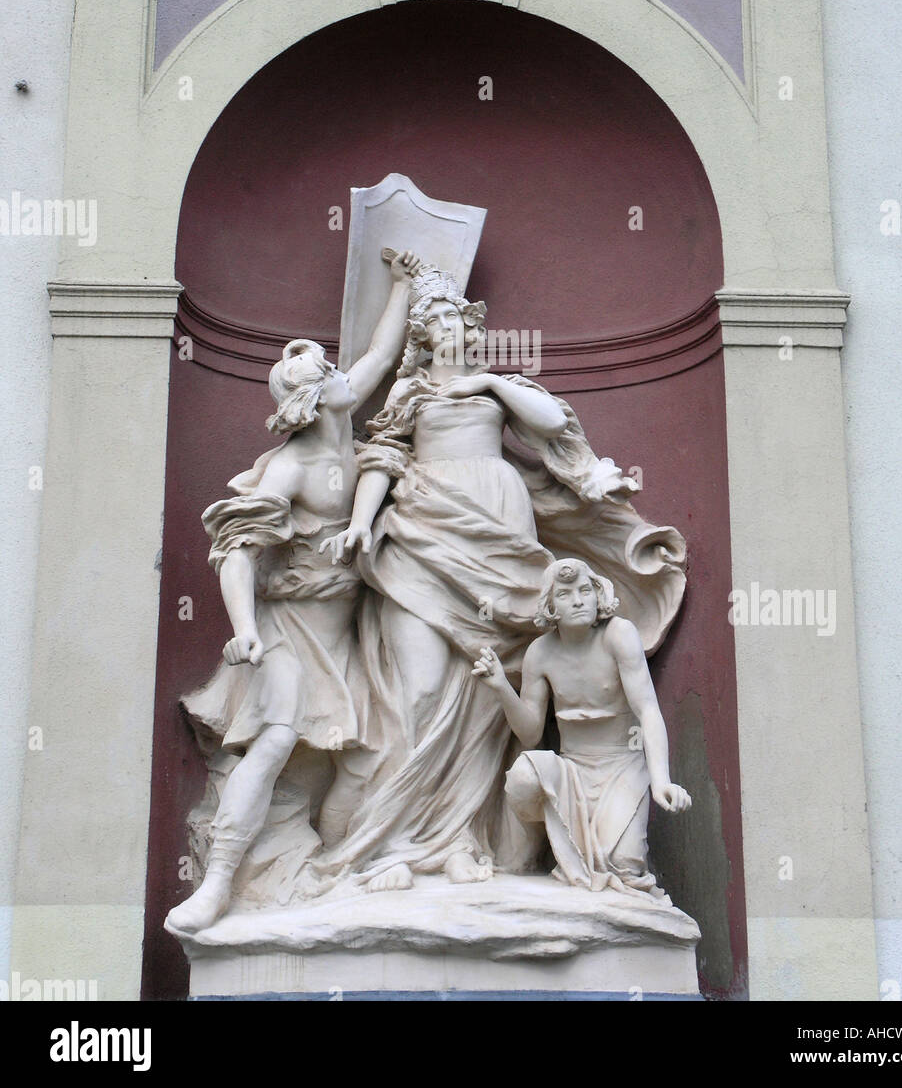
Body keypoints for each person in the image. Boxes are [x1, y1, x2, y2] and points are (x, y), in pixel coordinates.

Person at [319, 260, 686, 893]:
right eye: (436, 320)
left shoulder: (496, 388)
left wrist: (486, 381)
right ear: (423, 337)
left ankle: (460, 837)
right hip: (421, 534)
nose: (450, 327)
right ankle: (394, 842)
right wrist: (358, 521)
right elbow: (380, 455)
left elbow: (551, 424)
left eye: (457, 317)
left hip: (498, 530)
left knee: (487, 695)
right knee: (424, 692)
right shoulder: (410, 395)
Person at [165, 250, 420, 934]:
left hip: (348, 630)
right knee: (275, 740)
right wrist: (243, 627)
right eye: (327, 375)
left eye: (336, 371)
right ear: (312, 400)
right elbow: (237, 550)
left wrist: (401, 284)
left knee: (372, 756)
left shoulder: (347, 422)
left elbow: (379, 351)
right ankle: (217, 884)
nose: (343, 375)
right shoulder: (291, 467)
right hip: (288, 628)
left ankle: (343, 865)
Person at [472, 557, 691, 896]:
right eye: (565, 594)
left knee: (625, 867)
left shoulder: (618, 635)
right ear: (550, 607)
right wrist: (502, 687)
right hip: (573, 770)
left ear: (597, 594)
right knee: (524, 775)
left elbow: (648, 709)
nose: (578, 600)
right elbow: (530, 734)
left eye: (585, 591)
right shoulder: (540, 653)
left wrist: (661, 779)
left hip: (622, 766)